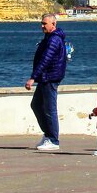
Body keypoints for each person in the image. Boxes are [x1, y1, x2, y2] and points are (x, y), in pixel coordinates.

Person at [26, 14, 68, 151]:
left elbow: (46, 59)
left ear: (53, 24)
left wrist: (33, 78)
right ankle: (48, 135)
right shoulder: (49, 37)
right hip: (45, 77)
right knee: (36, 105)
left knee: (50, 109)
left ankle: (54, 140)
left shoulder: (54, 39)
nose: (42, 26)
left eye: (45, 24)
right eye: (41, 23)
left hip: (50, 77)